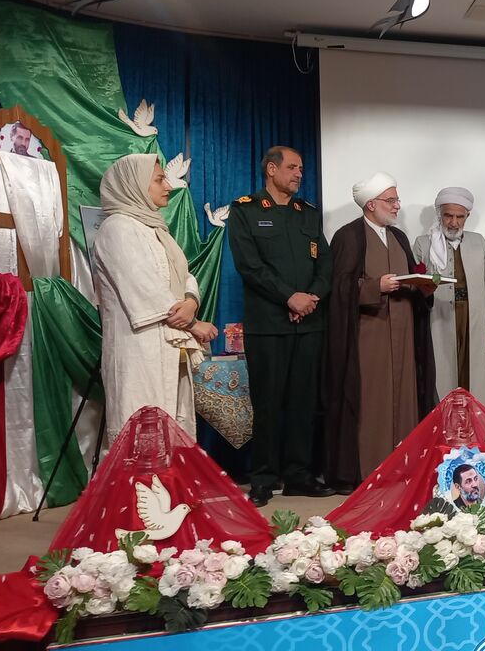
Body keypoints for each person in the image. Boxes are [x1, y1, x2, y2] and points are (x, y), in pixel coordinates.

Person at [228, 146, 334, 506]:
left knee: (304, 404)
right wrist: (290, 297)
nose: (299, 173)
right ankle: (263, 478)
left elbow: (325, 265)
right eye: (292, 167)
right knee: (268, 404)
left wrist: (311, 298)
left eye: (301, 168)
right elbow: (249, 265)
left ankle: (299, 475)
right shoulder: (246, 211)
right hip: (269, 324)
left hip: (309, 323)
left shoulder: (309, 213)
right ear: (271, 169)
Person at [323, 171, 438, 492]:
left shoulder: (399, 236)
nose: (397, 206)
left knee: (405, 398)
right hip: (368, 337)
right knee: (373, 400)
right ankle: (368, 468)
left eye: (397, 200)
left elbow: (410, 275)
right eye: (391, 200)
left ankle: (403, 466)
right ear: (371, 204)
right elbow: (339, 287)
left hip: (404, 334)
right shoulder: (349, 236)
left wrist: (423, 286)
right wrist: (375, 287)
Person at [92, 154, 218, 441]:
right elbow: (144, 287)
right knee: (141, 432)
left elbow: (184, 274)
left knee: (171, 431)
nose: (168, 186)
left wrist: (191, 301)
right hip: (139, 349)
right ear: (134, 184)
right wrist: (193, 324)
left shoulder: (155, 228)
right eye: (160, 180)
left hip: (169, 347)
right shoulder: (117, 228)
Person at [414, 187, 485, 403]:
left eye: (459, 217)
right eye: (448, 216)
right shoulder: (423, 243)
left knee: (473, 375)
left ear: (467, 216)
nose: (453, 223)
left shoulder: (478, 242)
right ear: (439, 214)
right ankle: (445, 422)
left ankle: (473, 423)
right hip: (439, 319)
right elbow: (415, 286)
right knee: (442, 375)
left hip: (474, 319)